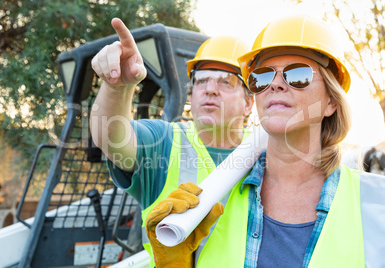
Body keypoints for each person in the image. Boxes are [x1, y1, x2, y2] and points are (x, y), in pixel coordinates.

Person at [146, 15, 385, 267]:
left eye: (298, 75)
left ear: (331, 102)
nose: (276, 85)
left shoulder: (376, 203)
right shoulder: (212, 199)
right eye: (262, 77)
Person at [89, 18, 254, 266]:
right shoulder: (164, 140)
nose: (210, 89)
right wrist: (117, 87)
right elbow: (111, 137)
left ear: (249, 103)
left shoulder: (269, 149)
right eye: (201, 80)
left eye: (225, 82)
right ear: (191, 94)